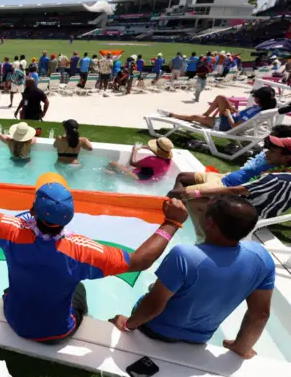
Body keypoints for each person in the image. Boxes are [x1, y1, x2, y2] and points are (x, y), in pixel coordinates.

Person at [0, 173, 188, 344]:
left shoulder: (8, 231)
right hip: (57, 333)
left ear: (33, 209)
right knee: (80, 287)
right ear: (70, 217)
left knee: (19, 286)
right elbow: (139, 260)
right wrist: (171, 224)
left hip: (12, 319)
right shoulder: (84, 251)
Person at [110, 195, 272, 360]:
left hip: (155, 330)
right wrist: (241, 347)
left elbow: (154, 305)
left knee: (155, 290)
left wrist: (128, 325)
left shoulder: (185, 255)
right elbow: (260, 314)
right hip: (199, 338)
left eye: (203, 211)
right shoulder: (261, 257)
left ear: (210, 223)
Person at [169, 125, 291, 199]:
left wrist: (198, 193)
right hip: (224, 177)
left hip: (224, 188)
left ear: (286, 158)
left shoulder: (275, 176)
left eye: (272, 149)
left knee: (177, 193)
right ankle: (175, 205)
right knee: (182, 176)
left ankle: (166, 208)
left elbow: (238, 191)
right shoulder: (270, 159)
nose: (266, 151)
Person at [160, 86, 277, 132]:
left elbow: (235, 127)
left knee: (195, 117)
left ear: (261, 99)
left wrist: (228, 114)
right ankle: (205, 116)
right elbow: (241, 116)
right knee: (221, 98)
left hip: (224, 124)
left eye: (256, 96)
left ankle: (172, 114)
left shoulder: (255, 112)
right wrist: (232, 109)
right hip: (231, 118)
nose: (254, 98)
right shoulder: (260, 108)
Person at [107, 137, 173, 181]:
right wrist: (142, 147)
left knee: (112, 163)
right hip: (148, 180)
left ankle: (107, 176)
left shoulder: (152, 160)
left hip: (136, 178)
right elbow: (157, 151)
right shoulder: (168, 160)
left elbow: (133, 163)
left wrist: (134, 151)